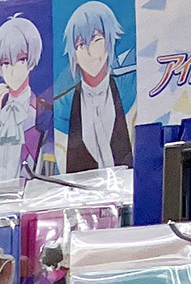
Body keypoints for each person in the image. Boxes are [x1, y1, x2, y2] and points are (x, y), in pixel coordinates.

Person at [0, 14, 54, 182]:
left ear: (31, 62)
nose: (12, 69)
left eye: (21, 60)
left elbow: (48, 165)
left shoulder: (44, 114)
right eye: (6, 63)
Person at [64, 1, 132, 172]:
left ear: (109, 41)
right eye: (81, 45)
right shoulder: (64, 104)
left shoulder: (129, 87)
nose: (89, 51)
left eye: (96, 40)